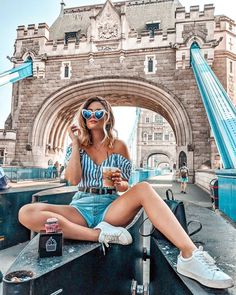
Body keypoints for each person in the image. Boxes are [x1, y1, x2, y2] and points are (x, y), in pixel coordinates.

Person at [18, 96, 233, 289]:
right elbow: (73, 180)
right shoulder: (75, 147)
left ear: (107, 117)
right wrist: (75, 144)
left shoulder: (119, 146)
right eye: (87, 113)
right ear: (83, 117)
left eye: (98, 112)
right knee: (27, 212)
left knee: (144, 189)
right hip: (81, 206)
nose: (93, 116)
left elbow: (125, 187)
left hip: (111, 208)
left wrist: (121, 184)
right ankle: (99, 235)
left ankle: (189, 255)